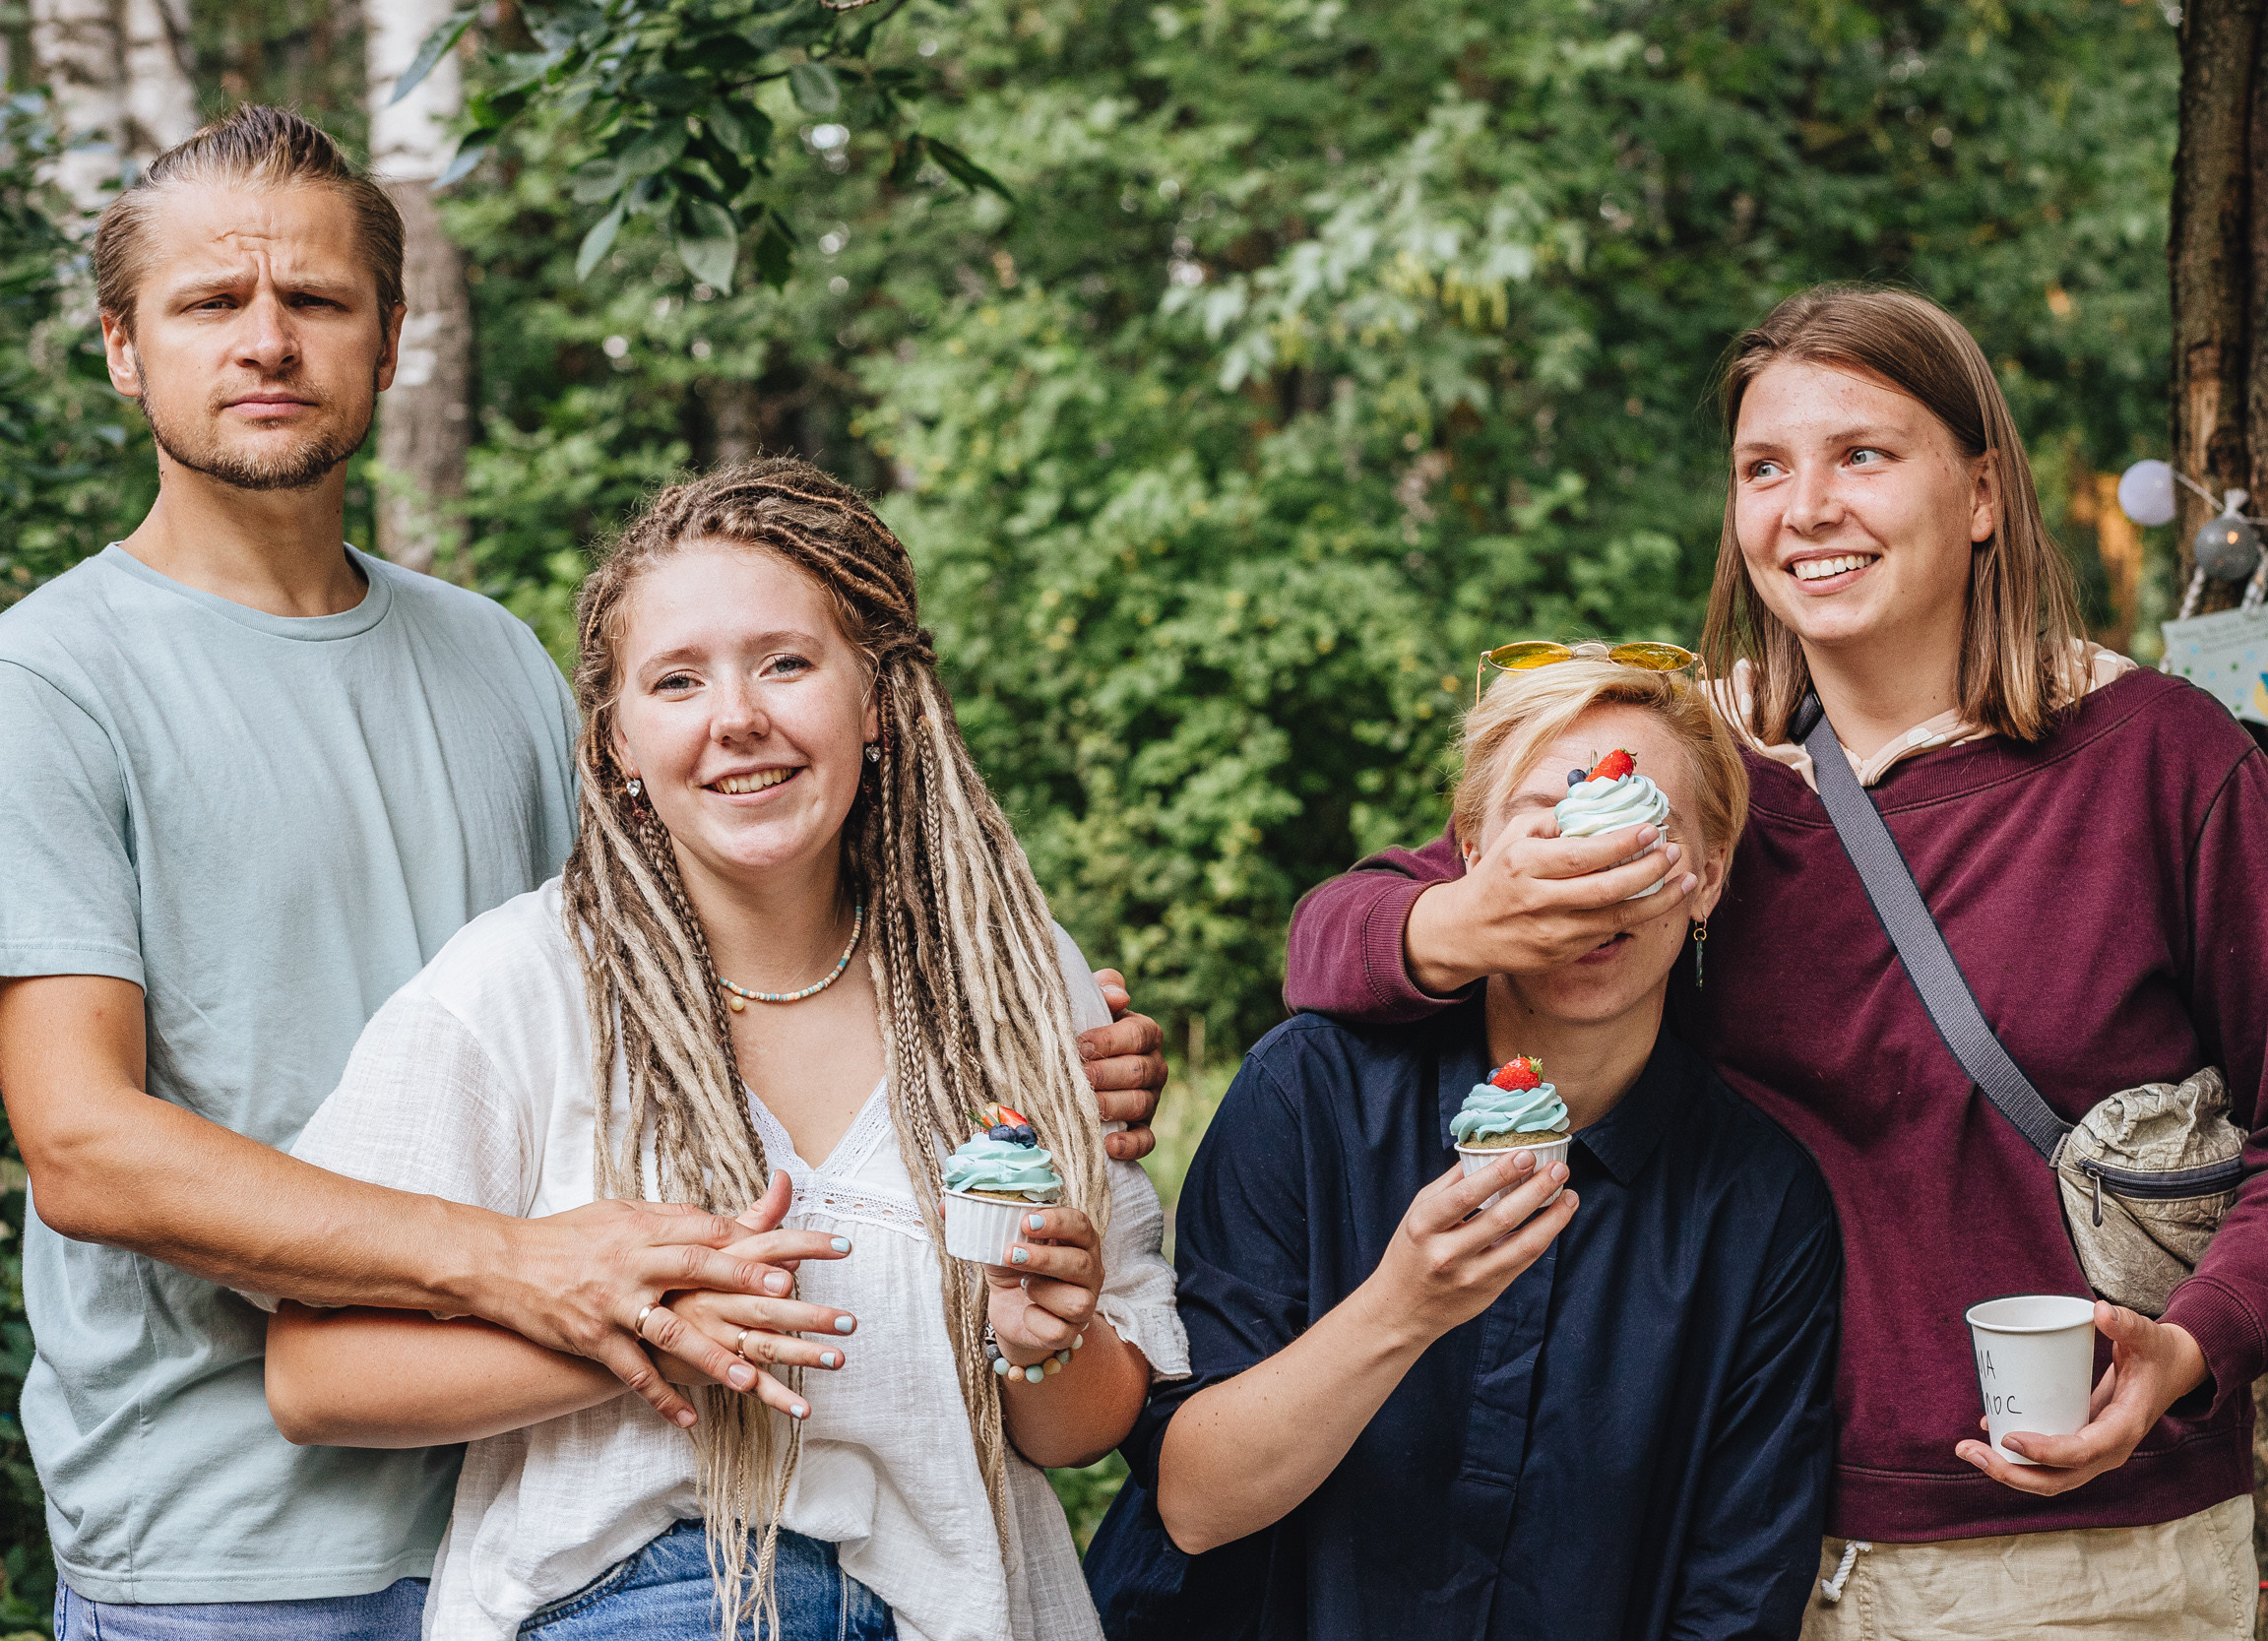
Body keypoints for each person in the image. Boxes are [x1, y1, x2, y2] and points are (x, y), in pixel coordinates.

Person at [0, 107, 1166, 1636]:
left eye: (320, 300)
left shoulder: (488, 655)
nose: (269, 341)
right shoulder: (49, 678)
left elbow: (694, 943)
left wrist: (1031, 1054)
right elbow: (82, 1143)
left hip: (553, 1492)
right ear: (121, 348)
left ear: (394, 334)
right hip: (237, 1524)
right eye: (213, 303)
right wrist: (529, 1269)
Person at [1283, 285, 2268, 1636]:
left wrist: (2191, 1344)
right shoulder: (1689, 771)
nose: (1805, 507)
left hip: (2076, 1559)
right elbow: (1332, 942)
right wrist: (1465, 916)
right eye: (1765, 467)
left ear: (1984, 492)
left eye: (1862, 454)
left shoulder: (2154, 759)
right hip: (1721, 1545)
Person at [260, 460, 1187, 1640]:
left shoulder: (1013, 978)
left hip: (962, 1602)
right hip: (648, 1593)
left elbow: (1076, 1429)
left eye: (786, 661)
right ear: (619, 743)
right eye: (679, 679)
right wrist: (643, 1339)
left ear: (878, 700)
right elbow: (314, 1376)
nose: (736, 715)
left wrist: (1043, 1335)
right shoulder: (521, 987)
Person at [1086, 660, 1840, 1640]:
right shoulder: (1310, 1091)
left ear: (1708, 873)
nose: (1590, 861)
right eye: (1549, 818)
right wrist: (1403, 1307)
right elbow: (1193, 1498)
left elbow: (1731, 1601)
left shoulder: (1759, 1205)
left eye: (1639, 822)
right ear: (1475, 857)